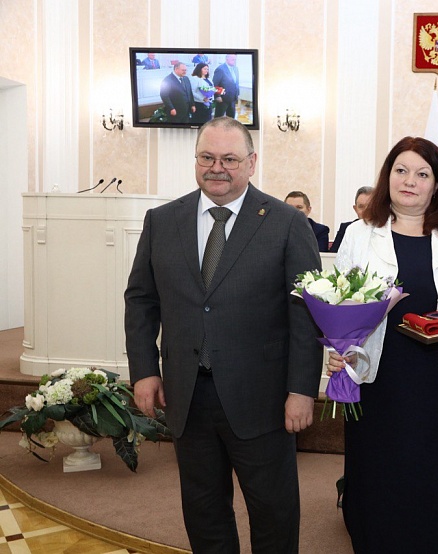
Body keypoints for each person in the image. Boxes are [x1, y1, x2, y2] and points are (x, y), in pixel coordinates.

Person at [124, 117, 323, 553]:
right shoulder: (162, 221)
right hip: (187, 396)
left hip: (264, 399)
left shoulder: (287, 223)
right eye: (207, 157)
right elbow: (141, 300)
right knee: (203, 510)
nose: (217, 168)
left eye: (229, 159)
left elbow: (306, 314)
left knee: (273, 512)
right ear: (195, 160)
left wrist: (302, 390)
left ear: (251, 163)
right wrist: (144, 370)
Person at [327, 136, 438, 553]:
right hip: (378, 377)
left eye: (422, 174)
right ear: (388, 176)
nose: (409, 181)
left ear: (436, 184)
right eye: (401, 170)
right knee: (379, 471)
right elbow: (336, 303)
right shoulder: (359, 234)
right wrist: (335, 349)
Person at [329, 185, 373, 252]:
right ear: (355, 209)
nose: (366, 211)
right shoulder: (346, 228)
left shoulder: (387, 229)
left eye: (370, 206)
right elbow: (334, 255)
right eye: (361, 207)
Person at [213, 54, 240, 119]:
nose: (234, 61)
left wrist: (237, 93)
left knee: (231, 118)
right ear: (227, 59)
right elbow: (215, 84)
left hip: (233, 98)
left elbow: (236, 82)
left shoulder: (236, 69)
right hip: (223, 99)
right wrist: (217, 96)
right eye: (233, 59)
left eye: (235, 59)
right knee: (218, 118)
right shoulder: (220, 69)